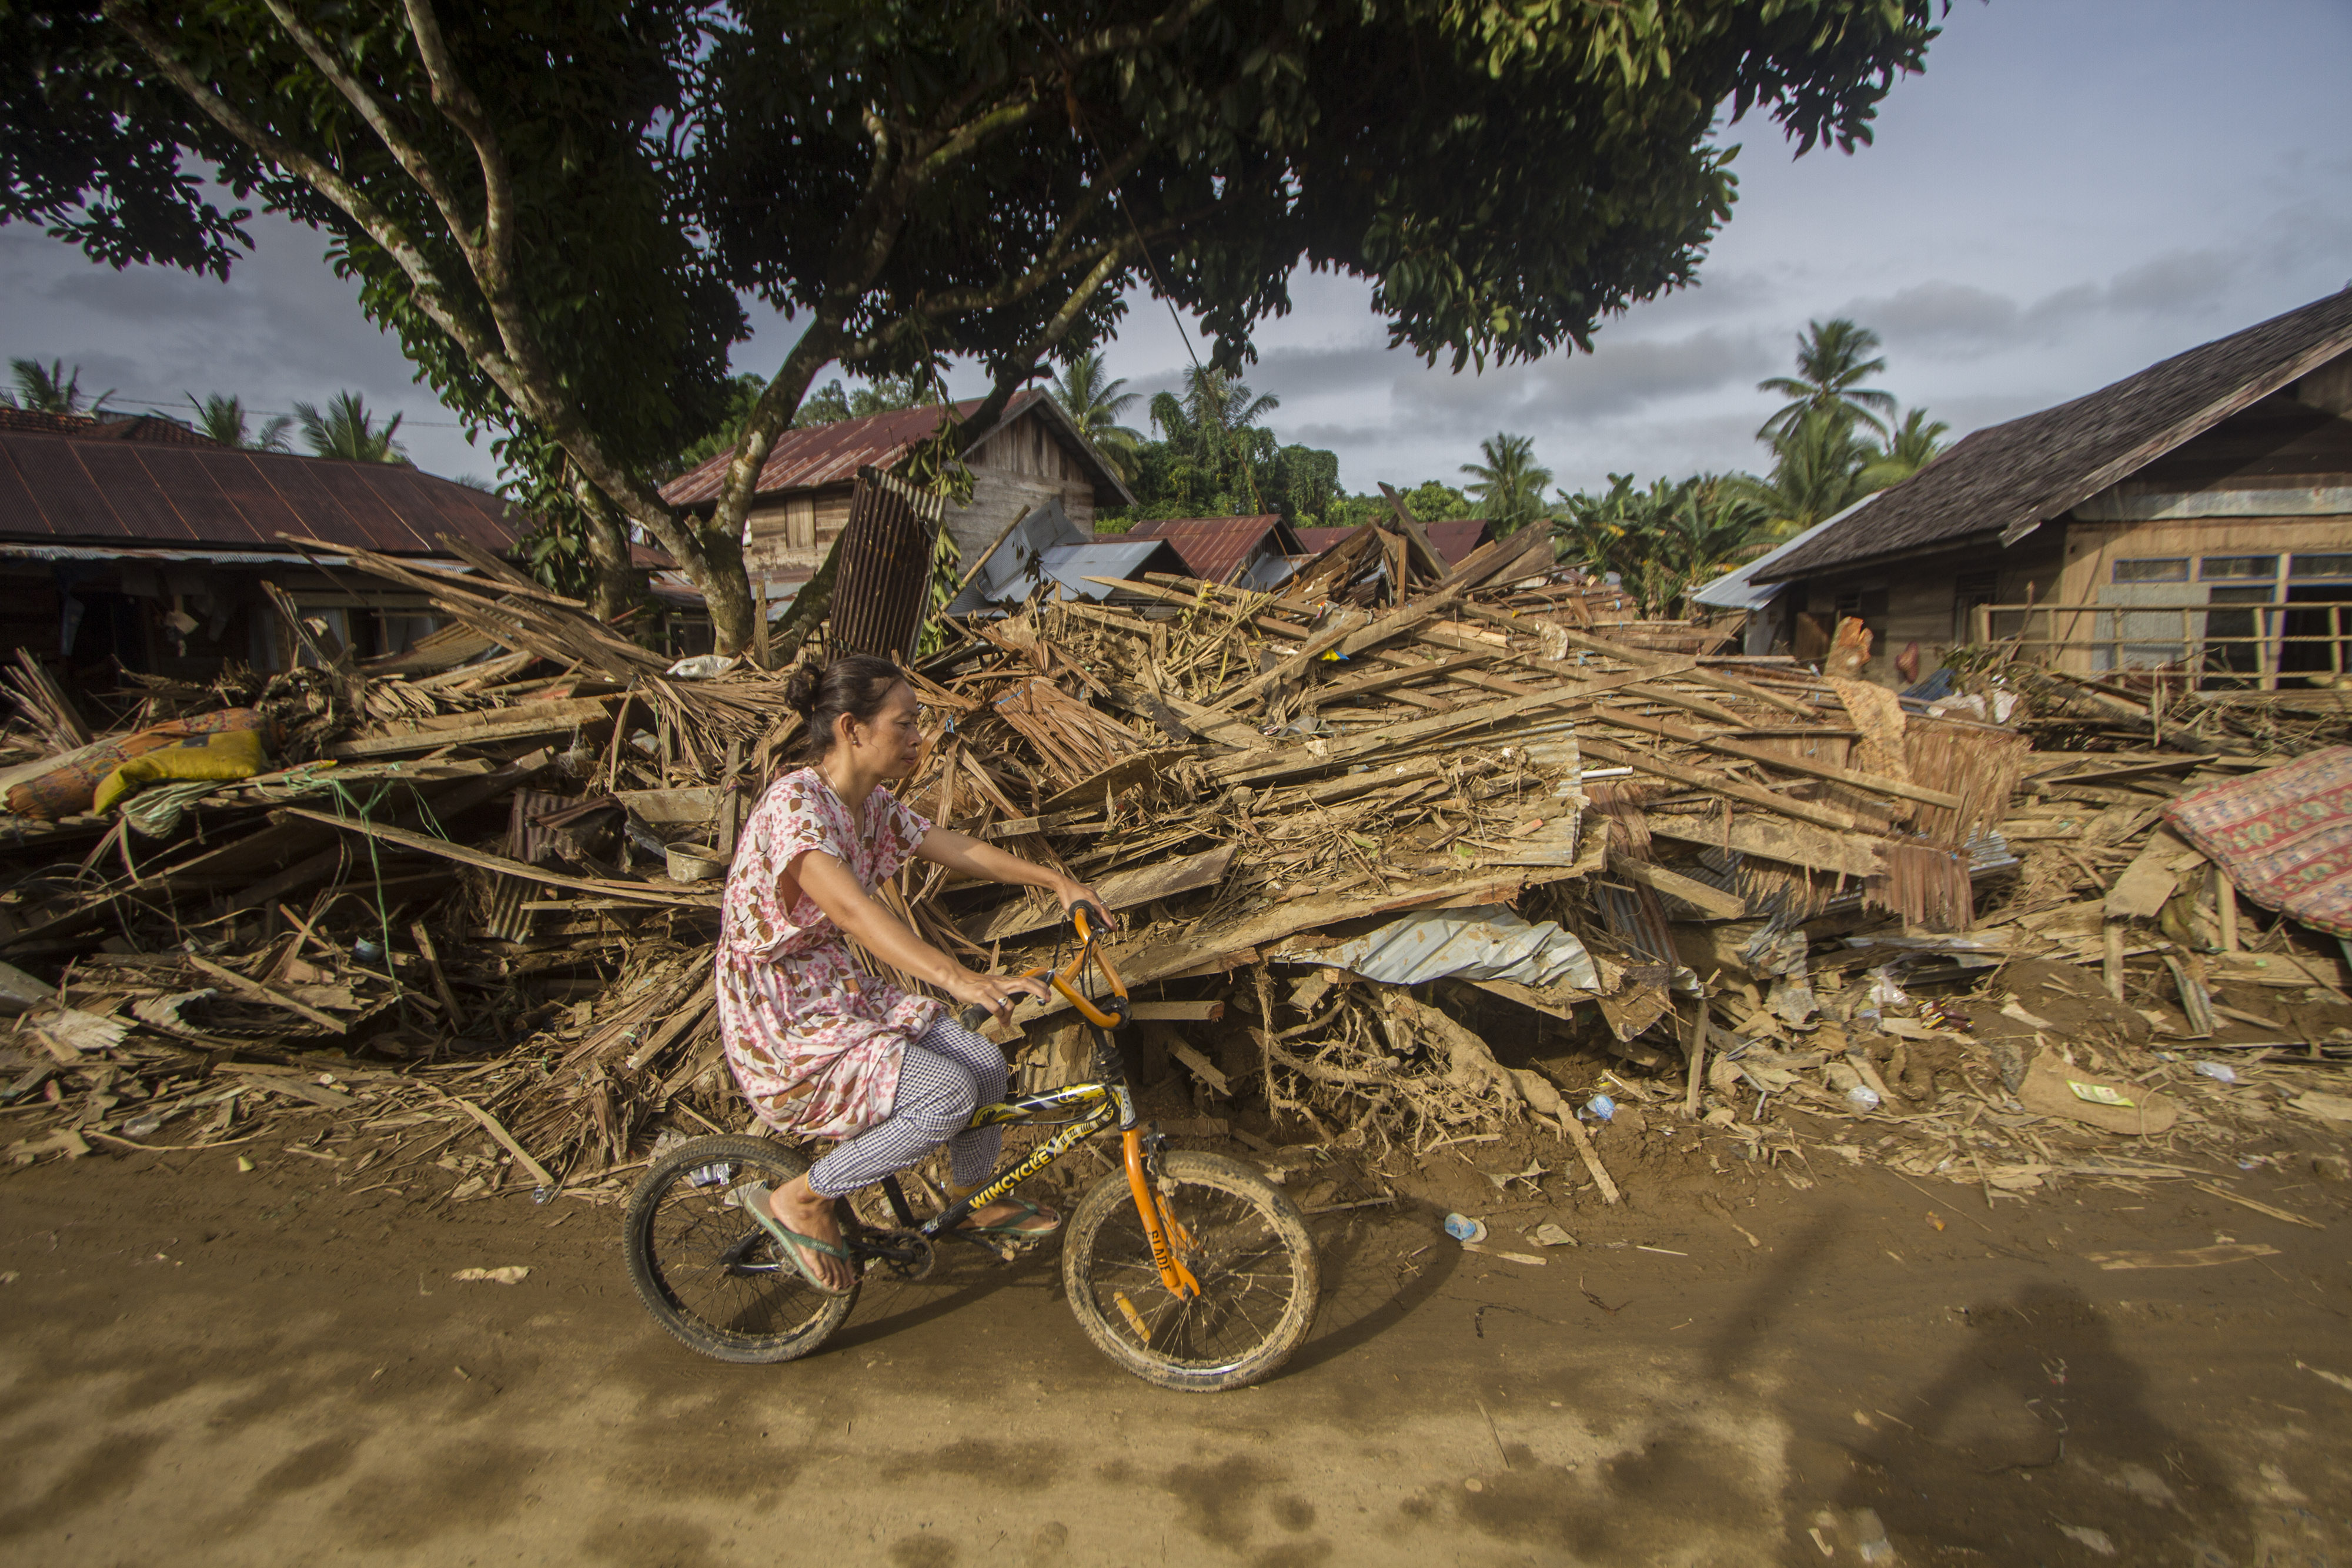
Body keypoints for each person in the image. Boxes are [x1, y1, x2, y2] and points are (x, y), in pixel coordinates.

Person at [715, 653, 1109, 1293]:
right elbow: (851, 911)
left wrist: (1056, 881)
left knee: (983, 1062)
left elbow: (952, 847)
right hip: (784, 1018)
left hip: (836, 994)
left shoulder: (868, 806)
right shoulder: (796, 807)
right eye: (906, 723)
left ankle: (973, 1197)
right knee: (946, 1092)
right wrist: (958, 979)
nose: (919, 738)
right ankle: (804, 1198)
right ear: (853, 729)